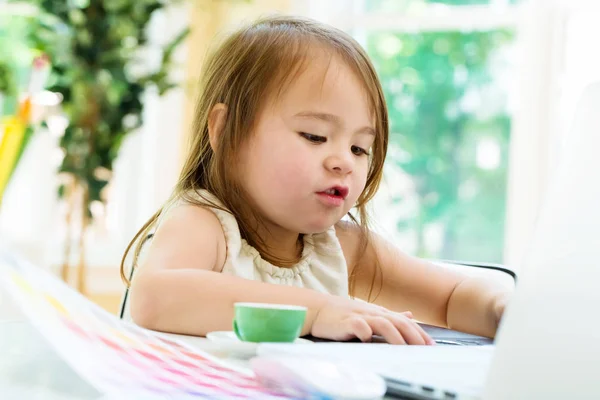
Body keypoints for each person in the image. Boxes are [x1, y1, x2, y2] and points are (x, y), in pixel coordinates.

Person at [120, 15, 510, 345]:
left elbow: (451, 298)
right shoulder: (205, 224)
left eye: (360, 148)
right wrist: (318, 310)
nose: (344, 162)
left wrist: (506, 309)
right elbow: (155, 296)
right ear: (227, 132)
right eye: (314, 137)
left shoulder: (344, 246)